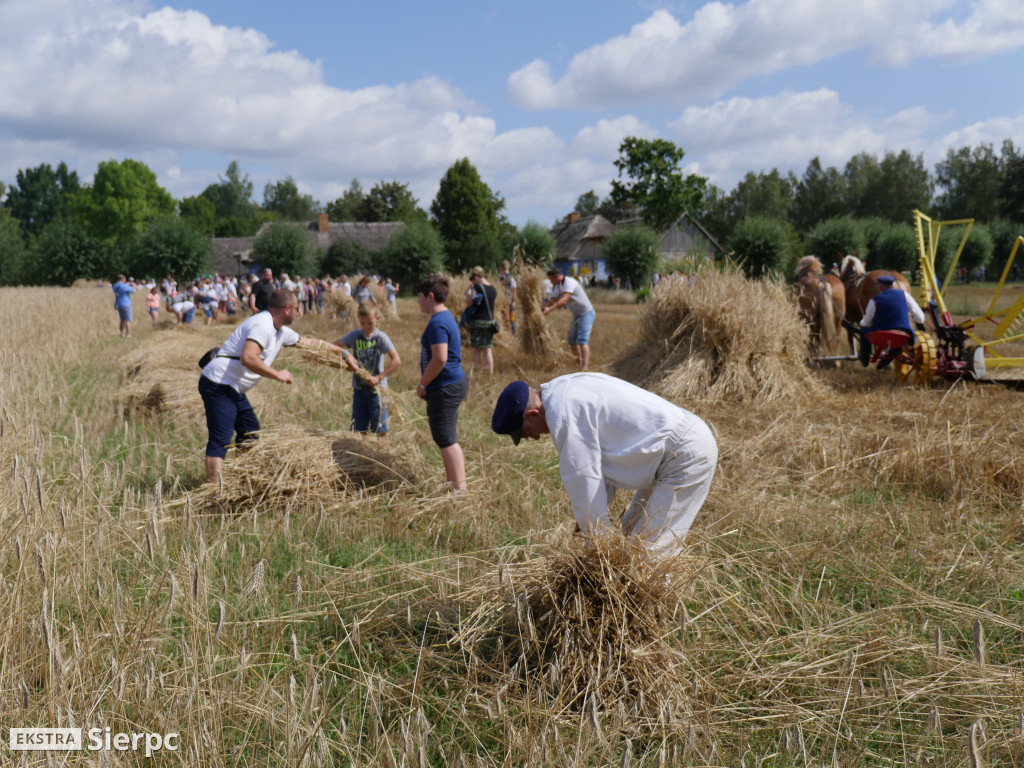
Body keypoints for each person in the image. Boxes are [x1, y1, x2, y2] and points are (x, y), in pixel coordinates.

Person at [492, 373, 718, 556]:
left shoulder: (564, 415)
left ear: (531, 414)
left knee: (649, 554)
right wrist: (589, 526)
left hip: (683, 455)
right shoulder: (564, 389)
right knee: (631, 530)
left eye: (525, 433)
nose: (533, 437)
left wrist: (598, 546)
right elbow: (599, 465)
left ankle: (660, 613)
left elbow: (584, 477)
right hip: (668, 452)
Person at [198, 289, 344, 483]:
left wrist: (342, 353)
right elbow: (248, 358)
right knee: (221, 439)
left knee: (250, 431)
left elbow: (311, 343)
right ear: (287, 308)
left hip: (232, 387)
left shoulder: (280, 331)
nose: (298, 313)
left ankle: (241, 478)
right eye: (297, 309)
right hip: (219, 383)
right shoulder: (263, 325)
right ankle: (215, 490)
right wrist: (278, 375)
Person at [416, 275, 468, 492]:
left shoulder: (438, 322)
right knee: (443, 436)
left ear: (430, 296)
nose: (418, 302)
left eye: (419, 297)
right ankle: (452, 484)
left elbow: (440, 358)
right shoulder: (445, 317)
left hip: (445, 386)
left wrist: (423, 383)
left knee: (446, 438)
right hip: (448, 384)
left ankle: (460, 490)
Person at [333, 302, 402, 438]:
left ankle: (381, 454)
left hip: (377, 391)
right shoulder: (355, 335)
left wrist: (379, 378)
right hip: (359, 389)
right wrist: (346, 356)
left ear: (377, 318)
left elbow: (396, 360)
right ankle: (361, 452)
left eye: (370, 323)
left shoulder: (380, 338)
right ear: (358, 318)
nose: (366, 327)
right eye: (362, 323)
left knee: (380, 428)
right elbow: (334, 346)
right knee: (359, 428)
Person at [858, 274, 926, 369]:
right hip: (903, 336)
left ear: (881, 286)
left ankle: (865, 357)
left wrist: (862, 324)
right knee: (900, 341)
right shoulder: (904, 295)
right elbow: (920, 317)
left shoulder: (875, 300)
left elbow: (866, 322)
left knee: (863, 331)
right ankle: (891, 355)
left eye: (877, 285)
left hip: (881, 336)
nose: (877, 287)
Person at [542, 268, 595, 370]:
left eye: (551, 280)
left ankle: (585, 368)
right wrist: (537, 308)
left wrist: (549, 310)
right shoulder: (558, 286)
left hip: (586, 313)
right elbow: (551, 301)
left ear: (557, 276)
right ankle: (579, 362)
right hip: (577, 315)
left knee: (582, 341)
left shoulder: (569, 282)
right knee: (572, 341)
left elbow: (564, 300)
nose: (551, 282)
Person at [464, 266, 499, 377]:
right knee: (488, 350)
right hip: (489, 322)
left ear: (476, 277)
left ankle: (478, 375)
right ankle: (490, 376)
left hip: (477, 321)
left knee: (476, 350)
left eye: (472, 279)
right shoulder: (493, 289)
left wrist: (469, 290)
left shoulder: (477, 287)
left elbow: (469, 302)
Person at [496, 260, 517, 334]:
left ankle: (511, 334)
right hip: (508, 302)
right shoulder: (511, 278)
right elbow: (514, 292)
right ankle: (511, 334)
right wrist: (513, 302)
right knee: (510, 319)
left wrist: (513, 303)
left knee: (508, 319)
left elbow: (514, 292)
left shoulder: (503, 278)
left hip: (506, 302)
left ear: (502, 267)